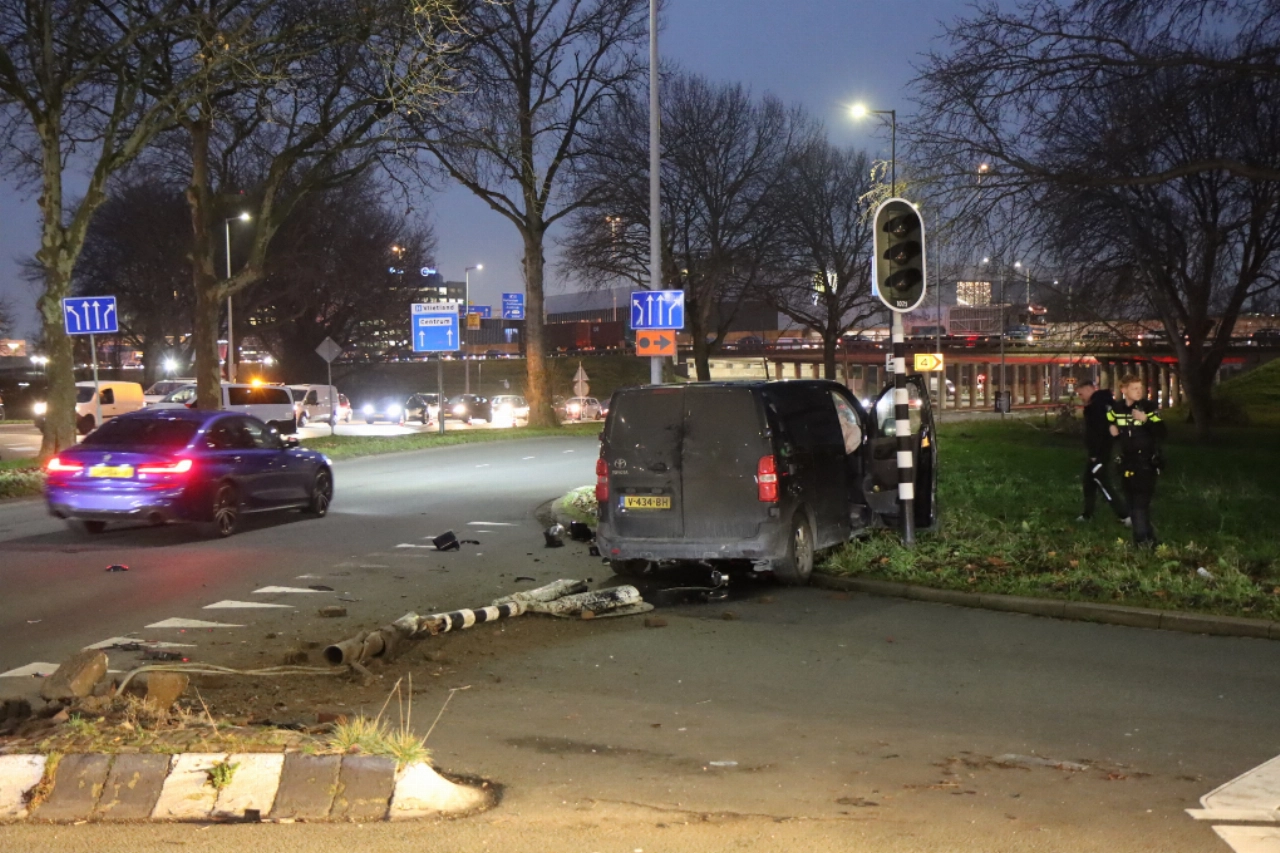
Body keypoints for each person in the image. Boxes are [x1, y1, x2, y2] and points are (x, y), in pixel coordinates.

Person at [1108, 373, 1167, 546]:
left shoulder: (1148, 407)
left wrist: (1146, 420)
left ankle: (1142, 541)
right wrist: (1111, 430)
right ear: (1123, 390)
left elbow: (1162, 432)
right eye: (1134, 388)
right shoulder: (1117, 409)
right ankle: (1149, 539)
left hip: (1146, 463)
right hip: (1127, 462)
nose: (1138, 391)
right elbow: (1109, 423)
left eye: (1140, 388)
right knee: (1132, 503)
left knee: (1140, 503)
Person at [1074, 379, 1129, 526]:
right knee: (1089, 481)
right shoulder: (1108, 404)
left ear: (1088, 389)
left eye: (1080, 393)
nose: (1081, 397)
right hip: (1108, 447)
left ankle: (1125, 515)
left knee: (1102, 482)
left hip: (1100, 451)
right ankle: (1087, 514)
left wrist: (1094, 453)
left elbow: (1095, 433)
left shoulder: (1095, 407)